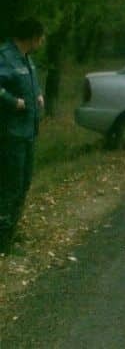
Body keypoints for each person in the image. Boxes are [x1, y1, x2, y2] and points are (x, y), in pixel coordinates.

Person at [0, 18, 45, 255]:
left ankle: (11, 232)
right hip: (10, 134)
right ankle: (2, 241)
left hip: (28, 132)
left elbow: (30, 83)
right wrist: (12, 102)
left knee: (24, 183)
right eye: (41, 36)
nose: (42, 41)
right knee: (10, 186)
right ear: (32, 36)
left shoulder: (26, 58)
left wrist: (38, 94)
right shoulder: (5, 56)